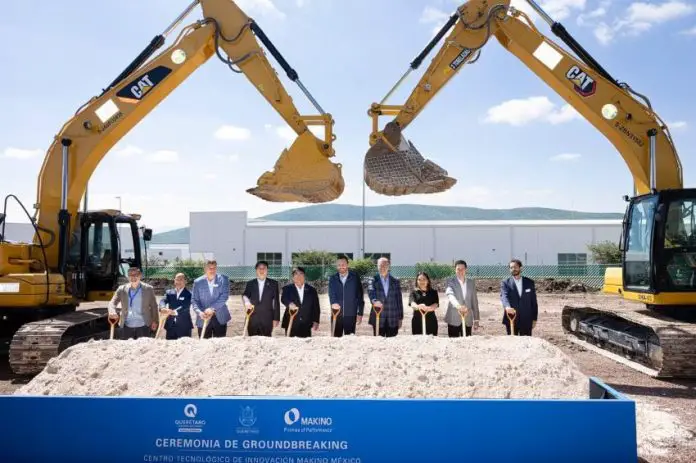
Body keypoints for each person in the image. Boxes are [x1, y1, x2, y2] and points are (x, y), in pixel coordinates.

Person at [107, 266, 159, 339]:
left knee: (143, 349)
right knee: (127, 349)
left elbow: (154, 306)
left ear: (140, 276)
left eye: (135, 275)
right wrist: (112, 311)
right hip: (126, 326)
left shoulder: (148, 289)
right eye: (130, 275)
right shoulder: (122, 289)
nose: (133, 277)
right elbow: (112, 302)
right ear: (128, 277)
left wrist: (155, 321)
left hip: (143, 326)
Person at [191, 259, 231, 338]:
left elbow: (224, 296)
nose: (212, 270)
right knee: (204, 346)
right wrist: (200, 312)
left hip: (220, 317)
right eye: (210, 268)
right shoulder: (198, 282)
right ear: (205, 269)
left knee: (220, 345)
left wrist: (212, 308)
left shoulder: (224, 279)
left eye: (214, 268)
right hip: (203, 318)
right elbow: (195, 300)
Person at [327, 255, 365, 336]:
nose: (341, 267)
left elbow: (360, 295)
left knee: (350, 340)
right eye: (339, 265)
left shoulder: (355, 277)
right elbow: (331, 293)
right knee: (335, 339)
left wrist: (360, 312)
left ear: (347, 264)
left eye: (343, 264)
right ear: (337, 266)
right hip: (336, 313)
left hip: (351, 314)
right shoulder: (333, 279)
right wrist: (334, 303)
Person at [242, 260, 281, 336]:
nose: (262, 270)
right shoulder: (250, 283)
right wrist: (246, 302)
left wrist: (276, 318)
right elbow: (245, 295)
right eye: (259, 268)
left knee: (267, 342)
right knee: (253, 342)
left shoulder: (274, 284)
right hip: (252, 319)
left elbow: (276, 302)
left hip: (267, 320)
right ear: (256, 270)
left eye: (264, 268)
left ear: (267, 270)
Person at [500, 259, 538, 336]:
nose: (513, 269)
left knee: (526, 344)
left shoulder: (529, 282)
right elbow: (504, 296)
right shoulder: (505, 283)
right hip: (512, 318)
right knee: (512, 344)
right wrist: (507, 307)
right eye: (511, 267)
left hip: (526, 319)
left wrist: (534, 318)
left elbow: (533, 302)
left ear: (521, 268)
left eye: (515, 267)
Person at [367, 257, 404, 337]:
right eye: (380, 265)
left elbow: (399, 300)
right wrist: (374, 301)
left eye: (385, 265)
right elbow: (371, 291)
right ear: (377, 266)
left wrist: (400, 318)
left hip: (393, 317)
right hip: (378, 316)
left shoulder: (395, 281)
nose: (382, 268)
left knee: (392, 343)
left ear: (388, 266)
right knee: (378, 343)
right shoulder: (373, 279)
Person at [280, 267, 320, 337]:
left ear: (304, 276)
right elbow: (284, 299)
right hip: (291, 322)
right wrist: (289, 303)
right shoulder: (287, 288)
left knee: (305, 346)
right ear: (293, 277)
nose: (298, 276)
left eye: (301, 274)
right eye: (296, 274)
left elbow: (316, 306)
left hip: (306, 323)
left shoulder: (312, 290)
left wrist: (316, 320)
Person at [444, 259, 480, 337]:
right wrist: (458, 306)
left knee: (467, 344)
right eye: (458, 269)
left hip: (468, 319)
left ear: (466, 269)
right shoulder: (450, 281)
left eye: (462, 269)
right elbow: (450, 295)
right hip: (453, 318)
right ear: (455, 270)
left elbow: (474, 301)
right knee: (453, 343)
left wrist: (476, 319)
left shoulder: (471, 283)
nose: (460, 271)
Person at [159, 273, 193, 339]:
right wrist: (163, 308)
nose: (178, 282)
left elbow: (185, 306)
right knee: (170, 347)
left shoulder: (189, 294)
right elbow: (162, 301)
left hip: (184, 327)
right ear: (174, 280)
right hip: (170, 326)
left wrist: (172, 312)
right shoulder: (169, 292)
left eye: (181, 280)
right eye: (177, 279)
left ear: (185, 281)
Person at [408, 271, 439, 336]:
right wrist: (418, 306)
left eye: (424, 279)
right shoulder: (413, 292)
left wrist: (428, 308)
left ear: (427, 280)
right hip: (417, 321)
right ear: (417, 281)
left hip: (431, 321)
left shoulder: (433, 292)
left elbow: (436, 304)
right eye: (419, 280)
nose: (422, 281)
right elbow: (412, 303)